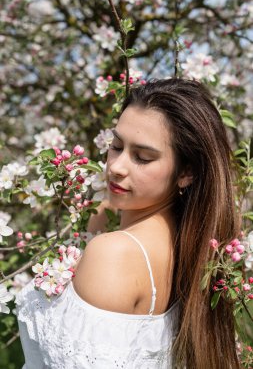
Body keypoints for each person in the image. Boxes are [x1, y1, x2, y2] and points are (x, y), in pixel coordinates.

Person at [16, 78, 240, 368]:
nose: (116, 167)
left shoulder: (115, 253)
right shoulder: (187, 243)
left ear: (187, 172)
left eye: (143, 158)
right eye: (116, 146)